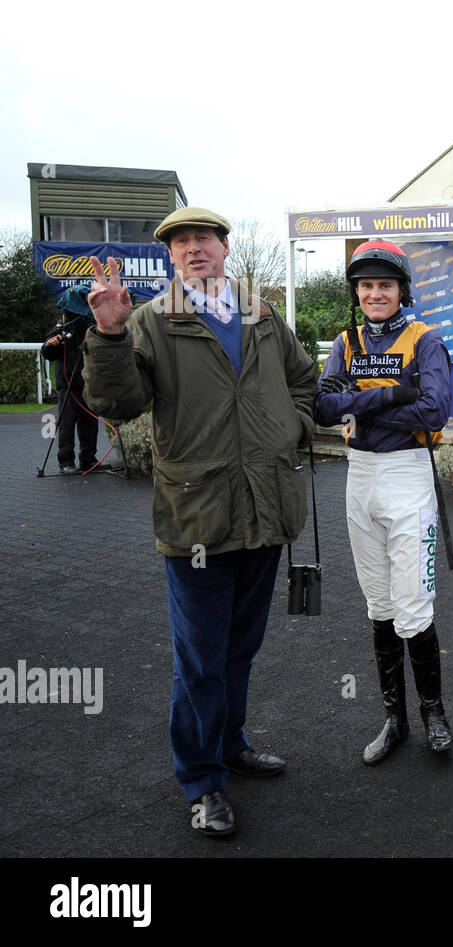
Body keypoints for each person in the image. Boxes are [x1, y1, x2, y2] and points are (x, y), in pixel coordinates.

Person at [81, 207, 317, 837]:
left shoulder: (262, 313)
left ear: (224, 246)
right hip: (198, 515)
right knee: (199, 659)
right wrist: (106, 335)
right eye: (179, 242)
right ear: (170, 257)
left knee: (240, 648)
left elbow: (304, 379)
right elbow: (117, 401)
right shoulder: (152, 322)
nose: (192, 249)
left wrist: (291, 426)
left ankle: (232, 744)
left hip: (265, 506)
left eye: (202, 239)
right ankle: (204, 783)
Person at [315, 241, 453, 761]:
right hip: (360, 477)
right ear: (356, 291)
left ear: (402, 291)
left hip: (409, 475)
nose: (375, 293)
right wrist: (391, 395)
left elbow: (435, 412)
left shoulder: (426, 341)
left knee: (413, 606)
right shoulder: (344, 340)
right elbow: (324, 408)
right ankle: (393, 720)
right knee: (378, 604)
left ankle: (434, 714)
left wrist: (360, 404)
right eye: (366, 286)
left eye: (385, 285)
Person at [40, 284, 99, 474]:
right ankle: (66, 462)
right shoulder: (61, 327)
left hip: (89, 384)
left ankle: (88, 461)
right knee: (66, 426)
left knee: (90, 425)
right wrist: (50, 345)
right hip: (68, 385)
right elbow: (47, 352)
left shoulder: (92, 325)